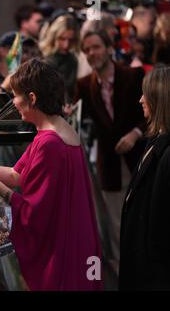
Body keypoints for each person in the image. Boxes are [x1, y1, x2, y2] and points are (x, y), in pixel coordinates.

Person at [0, 59, 102, 290]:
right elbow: (16, 175)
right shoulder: (57, 130)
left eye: (15, 95)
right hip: (77, 242)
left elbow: (36, 213)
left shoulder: (49, 142)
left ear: (32, 98)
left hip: (61, 250)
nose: (13, 103)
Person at [72, 30, 146, 277]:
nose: (92, 53)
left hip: (139, 157)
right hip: (109, 163)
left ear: (108, 48)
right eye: (87, 50)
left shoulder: (133, 75)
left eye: (96, 47)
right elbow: (74, 115)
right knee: (115, 221)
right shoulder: (84, 85)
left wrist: (135, 133)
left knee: (143, 216)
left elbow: (152, 114)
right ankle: (124, 272)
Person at [119, 67, 170, 290]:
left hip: (154, 273)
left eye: (145, 94)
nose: (140, 100)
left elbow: (161, 222)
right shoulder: (154, 141)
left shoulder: (167, 152)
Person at [40, 14, 79, 103]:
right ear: (54, 37)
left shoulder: (73, 60)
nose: (66, 45)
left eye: (70, 40)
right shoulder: (44, 59)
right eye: (62, 39)